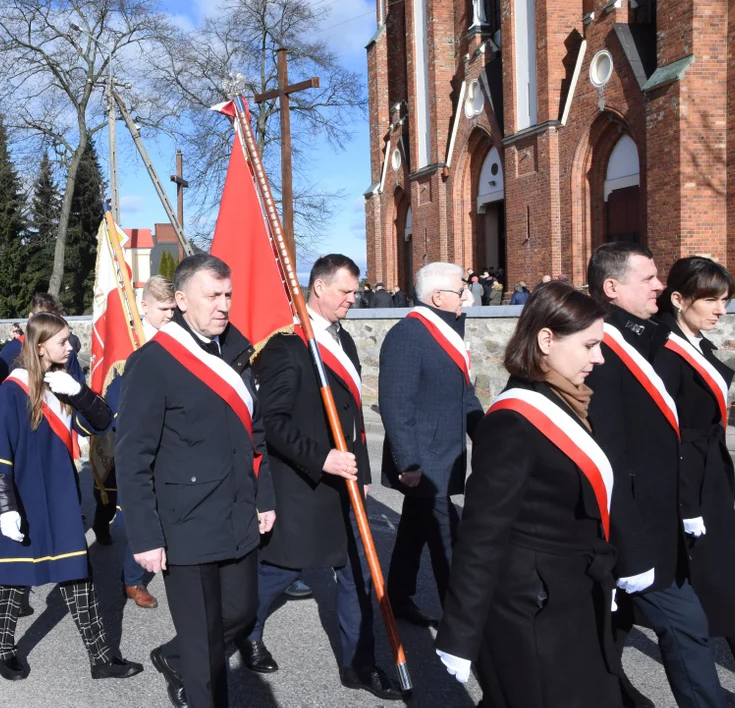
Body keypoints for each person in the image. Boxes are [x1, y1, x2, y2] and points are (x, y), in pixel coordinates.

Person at [435, 281, 621, 706]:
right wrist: (461, 634)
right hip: (534, 610)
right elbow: (483, 533)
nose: (599, 358)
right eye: (590, 345)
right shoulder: (513, 420)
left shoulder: (570, 400)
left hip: (573, 595)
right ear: (546, 340)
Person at [116, 254, 275, 708]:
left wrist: (265, 498)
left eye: (228, 295)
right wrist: (145, 537)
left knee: (242, 615)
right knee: (207, 650)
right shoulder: (153, 362)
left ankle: (173, 656)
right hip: (184, 525)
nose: (224, 305)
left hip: (239, 516)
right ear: (183, 301)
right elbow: (132, 457)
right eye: (213, 296)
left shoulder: (238, 351)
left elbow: (256, 434)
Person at [245, 254, 401, 700]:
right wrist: (323, 459)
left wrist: (363, 472)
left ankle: (359, 665)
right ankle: (246, 631)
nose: (354, 299)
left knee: (359, 573)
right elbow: (270, 422)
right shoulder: (286, 346)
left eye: (355, 291)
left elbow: (350, 418)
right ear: (317, 288)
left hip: (346, 482)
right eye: (345, 291)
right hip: (304, 485)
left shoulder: (343, 340)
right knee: (279, 570)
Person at [585, 242, 723, 707]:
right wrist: (631, 548)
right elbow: (609, 459)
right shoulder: (599, 352)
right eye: (648, 278)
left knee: (605, 633)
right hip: (634, 532)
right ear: (612, 287)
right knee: (687, 629)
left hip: (660, 521)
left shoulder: (643, 338)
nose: (660, 285)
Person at [0, 313, 143, 682]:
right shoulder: (12, 391)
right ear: (40, 347)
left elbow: (102, 422)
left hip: (61, 496)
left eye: (69, 340)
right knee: (14, 581)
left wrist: (77, 391)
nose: (70, 346)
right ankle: (3, 650)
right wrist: (5, 510)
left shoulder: (66, 381)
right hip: (23, 500)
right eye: (63, 341)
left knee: (77, 575)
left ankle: (101, 657)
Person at [653, 256, 735, 689]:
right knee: (726, 585)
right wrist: (688, 502)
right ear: (679, 298)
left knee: (728, 585)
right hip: (689, 486)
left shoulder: (696, 340)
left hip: (711, 479)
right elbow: (667, 438)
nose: (721, 311)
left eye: (725, 301)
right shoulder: (664, 350)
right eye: (712, 300)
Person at [379, 262, 484, 626]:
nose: (467, 297)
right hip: (424, 460)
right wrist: (408, 461)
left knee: (413, 530)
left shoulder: (446, 332)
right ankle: (463, 625)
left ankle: (396, 597)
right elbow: (396, 403)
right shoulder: (409, 335)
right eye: (460, 291)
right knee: (448, 540)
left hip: (445, 454)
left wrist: (487, 437)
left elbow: (465, 395)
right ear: (438, 297)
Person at [95, 275, 176, 609]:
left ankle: (133, 575)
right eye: (163, 309)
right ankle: (129, 576)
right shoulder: (129, 343)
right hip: (130, 437)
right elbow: (115, 400)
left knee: (152, 507)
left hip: (169, 436)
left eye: (174, 308)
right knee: (122, 505)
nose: (171, 315)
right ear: (144, 306)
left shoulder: (180, 337)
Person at [0, 294, 84, 383]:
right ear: (31, 317)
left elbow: (80, 387)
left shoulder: (66, 352)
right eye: (42, 320)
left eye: (53, 321)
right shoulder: (10, 351)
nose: (48, 327)